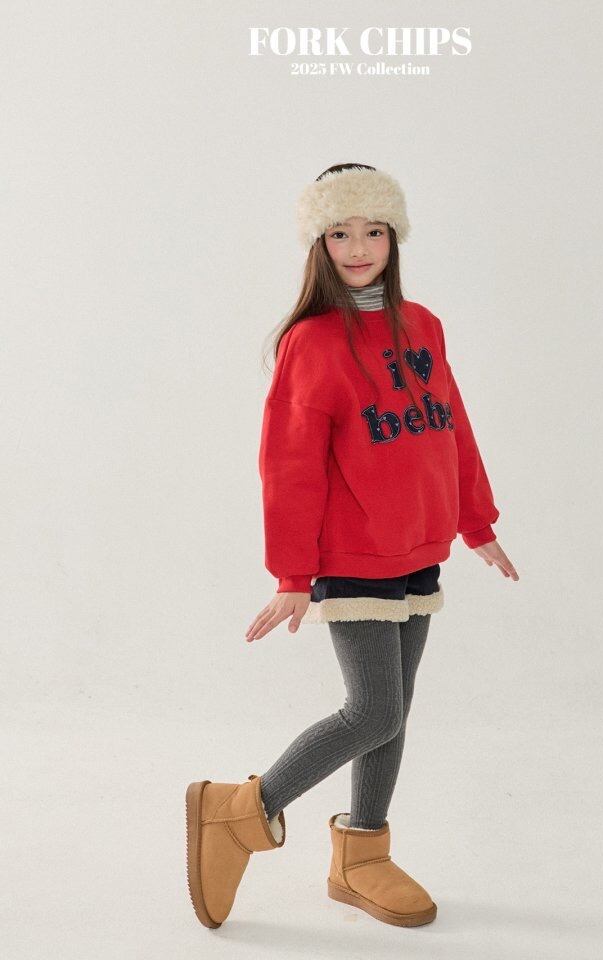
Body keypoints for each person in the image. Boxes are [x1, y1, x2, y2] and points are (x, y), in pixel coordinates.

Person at [185, 163, 519, 931]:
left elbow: (452, 427)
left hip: (418, 550)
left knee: (394, 714)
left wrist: (477, 523)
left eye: (374, 232)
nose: (360, 248)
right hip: (352, 554)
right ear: (320, 244)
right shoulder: (311, 342)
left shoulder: (423, 325)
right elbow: (288, 464)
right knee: (372, 710)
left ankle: (361, 854)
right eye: (341, 233)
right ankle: (241, 810)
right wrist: (293, 574)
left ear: (394, 239)